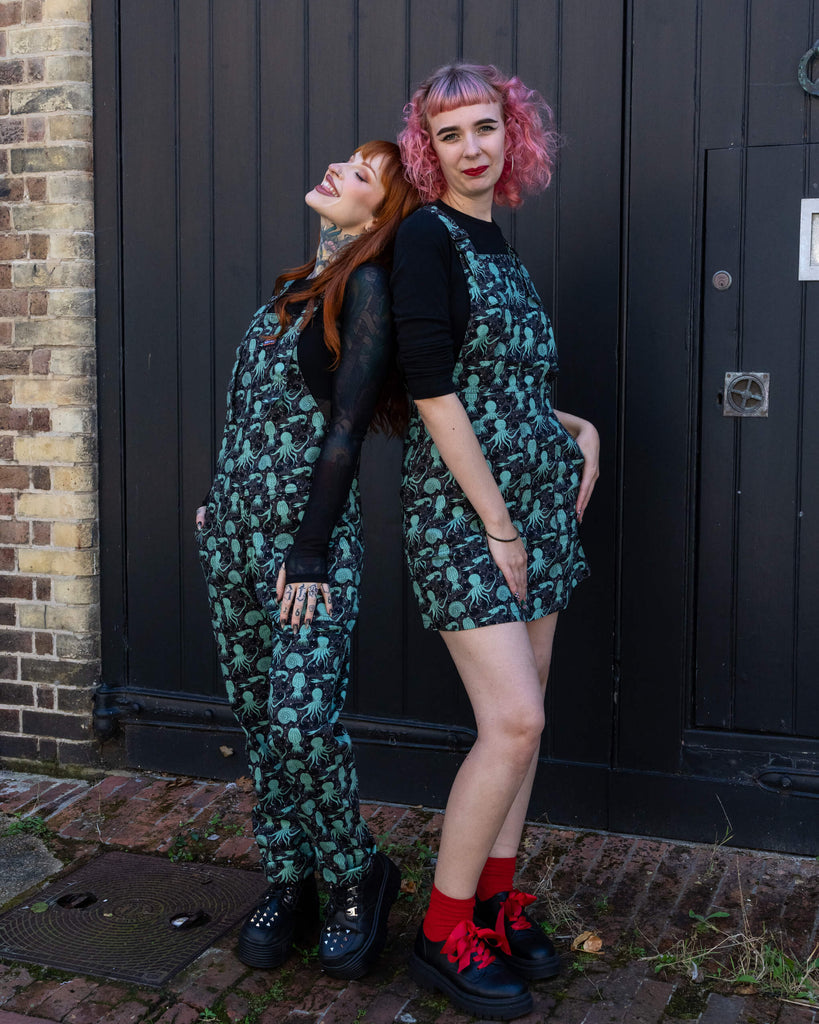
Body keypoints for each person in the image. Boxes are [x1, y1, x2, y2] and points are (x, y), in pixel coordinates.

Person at [392, 63, 600, 1019]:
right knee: (511, 723)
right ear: (424, 152)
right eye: (449, 135)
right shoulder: (426, 237)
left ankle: (495, 900)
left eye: (485, 128)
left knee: (526, 733)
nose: (471, 148)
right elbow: (432, 389)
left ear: (512, 136)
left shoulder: (499, 245)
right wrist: (499, 525)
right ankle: (441, 933)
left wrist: (573, 430)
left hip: (539, 504)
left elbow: (501, 385)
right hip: (470, 516)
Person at [195, 140, 421, 980]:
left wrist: (312, 549)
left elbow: (343, 432)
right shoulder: (293, 291)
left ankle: (355, 870)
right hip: (233, 540)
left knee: (300, 721)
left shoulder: (366, 290)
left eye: (362, 175)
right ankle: (288, 879)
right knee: (261, 725)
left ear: (380, 214)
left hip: (306, 554)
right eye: (348, 160)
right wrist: (221, 496)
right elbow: (254, 414)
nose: (337, 171)